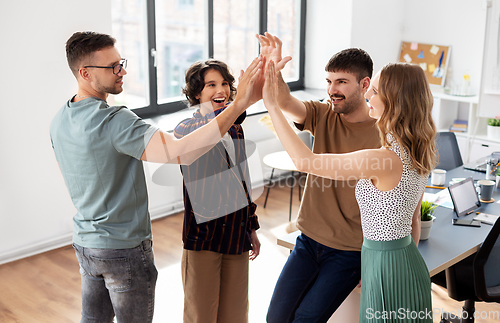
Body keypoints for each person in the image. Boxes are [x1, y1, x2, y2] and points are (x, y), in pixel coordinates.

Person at [50, 31, 262, 323]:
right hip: (124, 247)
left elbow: (70, 177)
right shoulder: (115, 120)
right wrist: (239, 105)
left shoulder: (60, 119)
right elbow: (180, 151)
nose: (122, 71)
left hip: (86, 244)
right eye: (113, 67)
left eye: (120, 62)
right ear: (84, 73)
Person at [262, 60, 436, 322]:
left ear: (395, 101)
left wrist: (272, 107)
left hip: (384, 264)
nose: (368, 94)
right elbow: (413, 220)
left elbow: (305, 162)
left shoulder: (385, 159)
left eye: (375, 91)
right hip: (403, 261)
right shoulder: (419, 150)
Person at [257, 33, 382, 322]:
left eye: (341, 82)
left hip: (349, 251)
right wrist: (273, 71)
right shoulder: (323, 114)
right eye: (328, 81)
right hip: (308, 240)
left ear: (364, 85)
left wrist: (373, 259)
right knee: (275, 318)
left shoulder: (383, 134)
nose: (332, 90)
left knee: (305, 319)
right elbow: (285, 100)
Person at [173, 59, 261, 323]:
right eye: (211, 84)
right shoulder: (185, 130)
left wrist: (252, 226)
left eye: (224, 83)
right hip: (203, 241)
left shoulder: (236, 129)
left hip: (236, 235)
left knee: (236, 315)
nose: (220, 89)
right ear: (196, 93)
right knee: (201, 316)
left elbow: (242, 181)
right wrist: (240, 105)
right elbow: (207, 129)